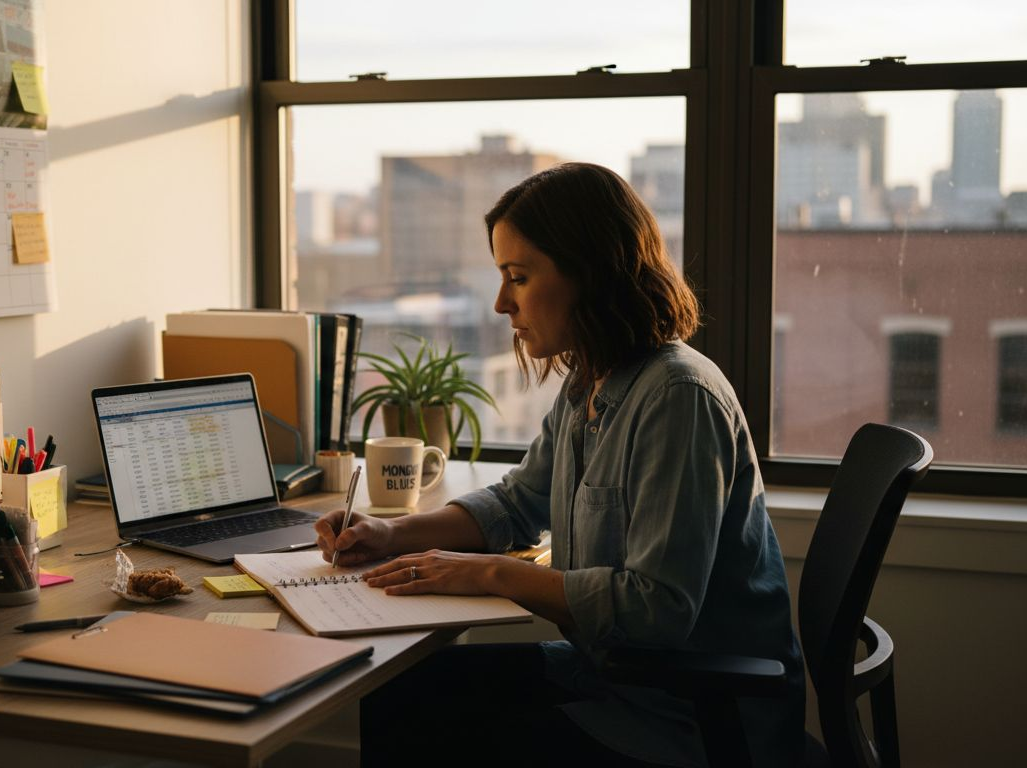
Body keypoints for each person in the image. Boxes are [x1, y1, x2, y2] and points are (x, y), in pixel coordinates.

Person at [316, 162, 804, 767]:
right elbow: (520, 503)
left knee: (437, 726)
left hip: (688, 716)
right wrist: (389, 532)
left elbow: (657, 610)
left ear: (590, 275)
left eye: (517, 278)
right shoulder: (590, 380)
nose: (500, 303)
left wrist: (488, 574)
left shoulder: (678, 398)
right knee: (398, 691)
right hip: (613, 678)